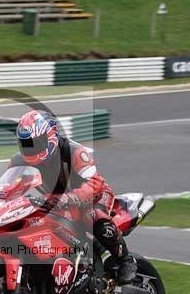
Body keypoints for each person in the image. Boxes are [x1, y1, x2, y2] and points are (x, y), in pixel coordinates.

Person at [10, 109, 136, 284]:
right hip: (57, 201)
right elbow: (8, 189)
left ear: (50, 137)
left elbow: (95, 184)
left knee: (91, 215)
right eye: (25, 144)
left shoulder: (74, 151)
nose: (29, 149)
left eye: (34, 143)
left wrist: (68, 198)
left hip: (95, 196)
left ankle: (126, 260)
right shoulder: (18, 161)